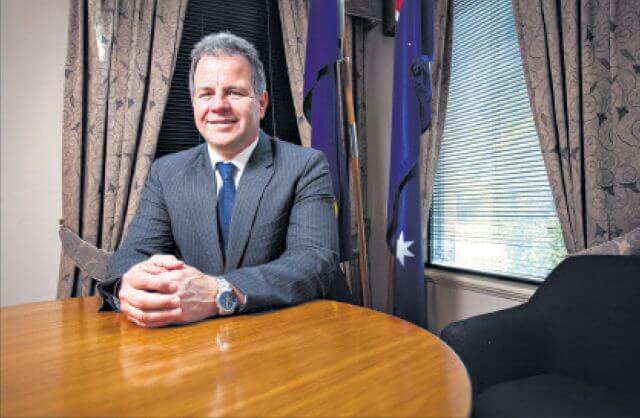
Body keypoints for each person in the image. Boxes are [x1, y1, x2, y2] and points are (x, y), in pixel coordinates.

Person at [98, 32, 349, 327]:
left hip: (297, 333)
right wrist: (129, 283)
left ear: (262, 103)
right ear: (194, 104)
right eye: (206, 94)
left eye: (234, 92)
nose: (218, 105)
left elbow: (312, 262)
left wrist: (219, 292)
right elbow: (132, 256)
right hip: (207, 340)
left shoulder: (306, 166)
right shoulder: (166, 173)